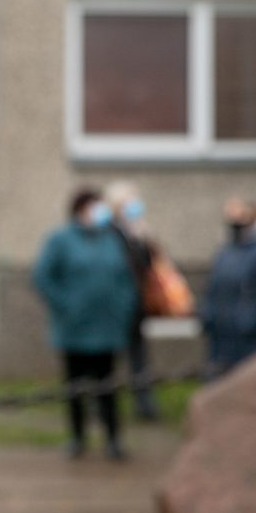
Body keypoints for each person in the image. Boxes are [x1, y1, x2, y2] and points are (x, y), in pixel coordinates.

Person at [32, 188, 138, 461]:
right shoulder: (61, 240)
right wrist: (66, 305)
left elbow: (126, 278)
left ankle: (113, 439)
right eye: (94, 207)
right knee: (75, 387)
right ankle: (77, 438)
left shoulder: (112, 239)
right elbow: (42, 276)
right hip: (75, 330)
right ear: (80, 209)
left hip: (107, 328)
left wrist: (124, 307)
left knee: (108, 388)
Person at [201, 198, 256, 379]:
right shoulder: (225, 252)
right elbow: (213, 288)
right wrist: (208, 316)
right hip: (221, 335)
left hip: (250, 338)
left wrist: (249, 321)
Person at [105, 181, 159, 422]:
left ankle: (143, 402)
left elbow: (148, 266)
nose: (134, 206)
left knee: (139, 355)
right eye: (128, 202)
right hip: (114, 305)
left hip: (136, 305)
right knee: (109, 357)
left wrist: (144, 239)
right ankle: (104, 403)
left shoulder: (137, 230)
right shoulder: (108, 232)